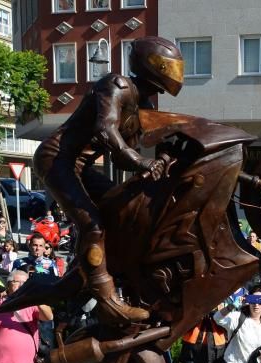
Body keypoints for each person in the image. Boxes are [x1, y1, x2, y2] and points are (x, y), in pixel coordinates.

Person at [30, 36, 184, 326]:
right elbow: (106, 131)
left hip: (82, 166)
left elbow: (140, 144)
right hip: (57, 159)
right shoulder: (117, 86)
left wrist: (166, 154)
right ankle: (107, 301)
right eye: (168, 66)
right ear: (152, 64)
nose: (174, 73)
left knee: (123, 211)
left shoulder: (144, 103)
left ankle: (91, 275)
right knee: (93, 223)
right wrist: (141, 163)